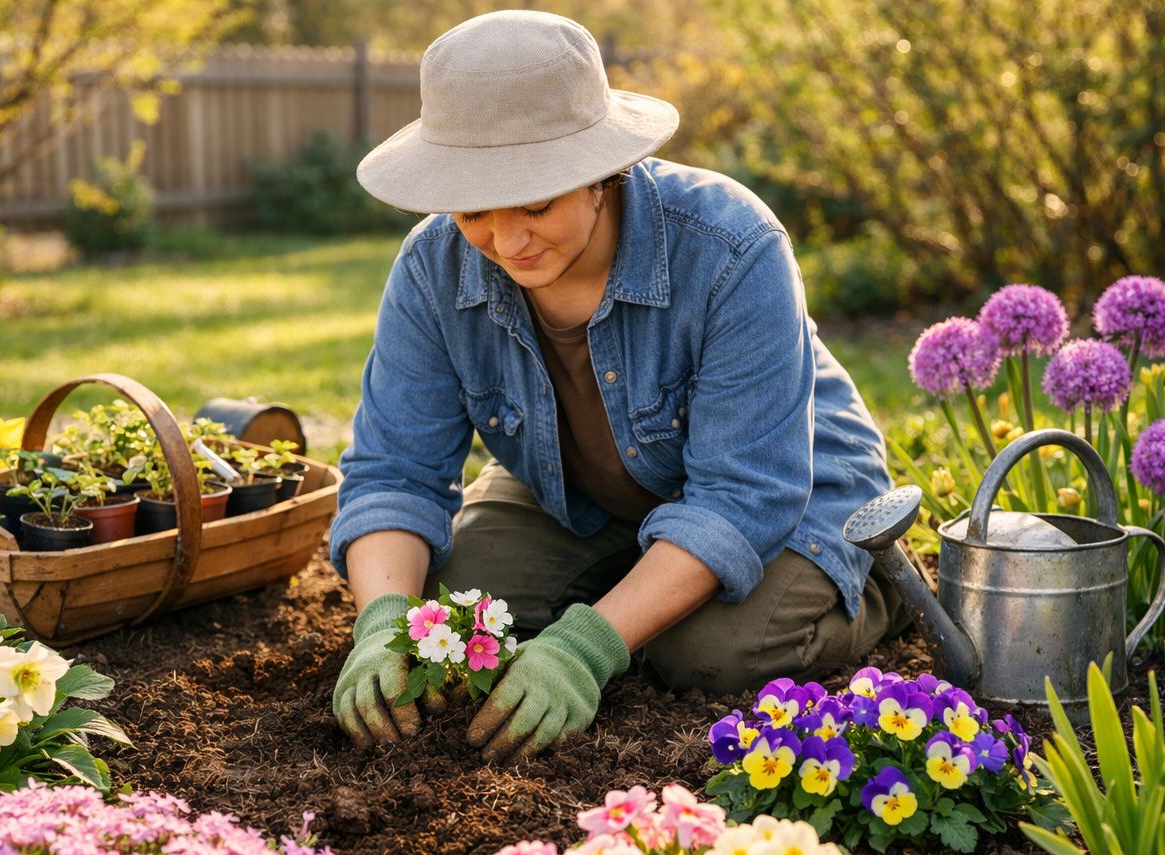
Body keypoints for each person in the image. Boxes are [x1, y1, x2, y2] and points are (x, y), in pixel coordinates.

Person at [329, 10, 904, 762]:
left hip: (790, 487)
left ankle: (879, 591)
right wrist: (384, 625)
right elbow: (394, 470)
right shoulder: (432, 266)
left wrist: (589, 645)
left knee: (708, 655)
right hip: (579, 488)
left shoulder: (733, 248)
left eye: (535, 203)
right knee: (455, 619)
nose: (507, 243)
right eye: (473, 209)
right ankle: (641, 578)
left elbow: (742, 496)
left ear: (602, 173)